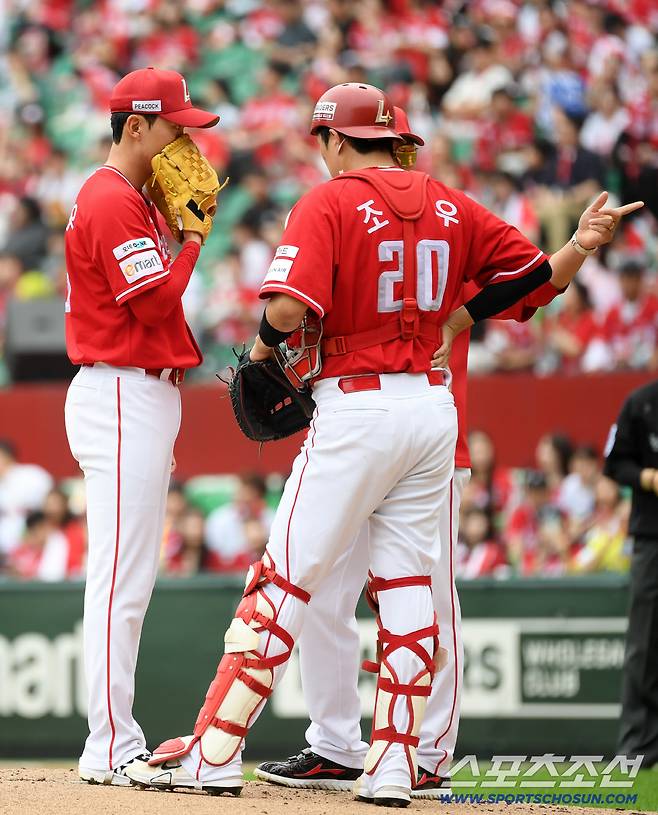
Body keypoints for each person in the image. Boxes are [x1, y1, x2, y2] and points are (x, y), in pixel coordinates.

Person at [129, 83, 640, 805]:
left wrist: (263, 346)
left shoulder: (329, 200)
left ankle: (214, 751)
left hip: (357, 406)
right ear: (391, 137)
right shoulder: (451, 202)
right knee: (405, 590)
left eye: (322, 141)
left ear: (336, 141)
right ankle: (395, 764)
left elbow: (283, 308)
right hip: (433, 410)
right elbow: (529, 282)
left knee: (282, 578)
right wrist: (573, 249)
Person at [63, 67, 219, 786]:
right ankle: (110, 742)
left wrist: (175, 228)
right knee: (119, 581)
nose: (185, 141)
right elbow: (155, 307)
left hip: (136, 392)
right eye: (174, 127)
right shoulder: (109, 198)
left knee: (129, 579)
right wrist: (191, 241)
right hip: (121, 389)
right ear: (135, 127)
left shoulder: (127, 197)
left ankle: (113, 737)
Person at [604, 380, 658, 767]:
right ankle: (638, 747)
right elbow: (614, 462)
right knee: (644, 645)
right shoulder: (641, 403)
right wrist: (649, 478)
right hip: (651, 537)